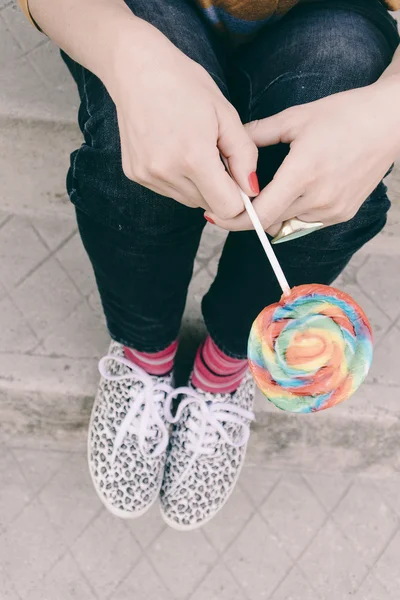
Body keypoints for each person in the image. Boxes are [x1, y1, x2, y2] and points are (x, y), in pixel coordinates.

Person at [20, 0, 400, 530]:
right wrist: (124, 50)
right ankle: (145, 353)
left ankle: (226, 366)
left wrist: (389, 111)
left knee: (334, 188)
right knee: (123, 153)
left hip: (337, 14)